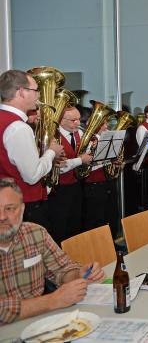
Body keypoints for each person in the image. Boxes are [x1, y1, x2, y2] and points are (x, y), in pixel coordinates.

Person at [0, 178, 104, 325]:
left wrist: (77, 274)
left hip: (40, 324)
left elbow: (62, 268)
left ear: (22, 209)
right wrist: (52, 301)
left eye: (10, 208)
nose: (2, 217)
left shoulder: (35, 233)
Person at [0, 69, 64, 230]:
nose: (39, 96)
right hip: (25, 207)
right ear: (21, 92)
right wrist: (51, 152)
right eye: (36, 90)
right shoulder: (18, 127)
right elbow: (31, 176)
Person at [47, 106, 92, 244]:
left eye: (79, 119)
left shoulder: (80, 133)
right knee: (60, 227)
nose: (78, 123)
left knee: (75, 224)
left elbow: (88, 155)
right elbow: (58, 166)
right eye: (73, 120)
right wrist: (81, 160)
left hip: (77, 185)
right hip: (59, 189)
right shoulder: (53, 137)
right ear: (61, 120)